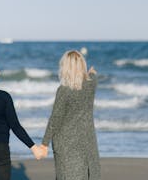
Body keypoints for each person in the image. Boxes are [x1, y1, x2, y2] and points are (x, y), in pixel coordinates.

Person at [38, 50, 101, 180]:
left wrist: (44, 144)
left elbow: (55, 119)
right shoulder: (92, 83)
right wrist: (91, 72)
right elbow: (93, 74)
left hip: (66, 144)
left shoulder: (64, 91)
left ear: (66, 67)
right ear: (82, 65)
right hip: (87, 141)